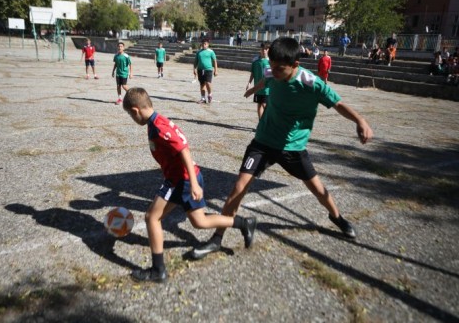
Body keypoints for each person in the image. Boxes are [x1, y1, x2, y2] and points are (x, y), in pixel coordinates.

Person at [192, 37, 373, 260]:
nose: (274, 71)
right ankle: (217, 239)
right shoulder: (271, 71)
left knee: (318, 189)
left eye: (280, 68)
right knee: (237, 189)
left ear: (295, 65)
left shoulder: (310, 83)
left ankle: (336, 217)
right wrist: (251, 92)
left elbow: (338, 104)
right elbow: (265, 80)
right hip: (263, 143)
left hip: (293, 147)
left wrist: (360, 121)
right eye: (272, 65)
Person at [122, 87, 257, 282]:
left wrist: (194, 184)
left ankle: (158, 270)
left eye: (130, 115)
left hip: (182, 180)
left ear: (135, 110)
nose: (132, 119)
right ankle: (245, 223)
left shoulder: (159, 127)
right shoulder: (156, 122)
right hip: (184, 177)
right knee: (199, 222)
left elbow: (183, 149)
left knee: (152, 217)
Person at [246, 43, 270, 120]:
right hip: (257, 88)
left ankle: (267, 121)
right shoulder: (255, 60)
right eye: (262, 49)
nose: (264, 51)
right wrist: (249, 82)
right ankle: (261, 122)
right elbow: (253, 73)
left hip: (267, 89)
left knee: (264, 104)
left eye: (265, 49)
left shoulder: (270, 61)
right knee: (259, 104)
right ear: (260, 50)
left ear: (268, 50)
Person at [193, 39, 218, 104]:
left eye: (205, 44)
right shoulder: (198, 52)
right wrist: (194, 69)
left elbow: (214, 61)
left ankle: (210, 94)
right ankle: (203, 98)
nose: (204, 45)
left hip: (208, 69)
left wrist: (216, 70)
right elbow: (196, 62)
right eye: (203, 44)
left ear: (208, 44)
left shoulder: (211, 52)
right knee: (202, 84)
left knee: (208, 83)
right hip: (200, 70)